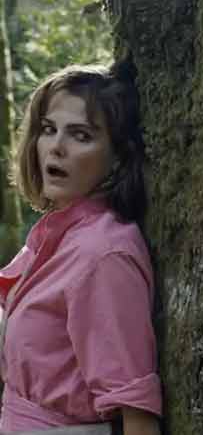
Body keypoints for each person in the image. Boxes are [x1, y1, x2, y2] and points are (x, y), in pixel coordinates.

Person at [0, 63, 162, 435]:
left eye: (81, 135)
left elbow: (136, 414)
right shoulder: (57, 235)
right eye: (48, 129)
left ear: (118, 156)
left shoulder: (103, 255)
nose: (56, 147)